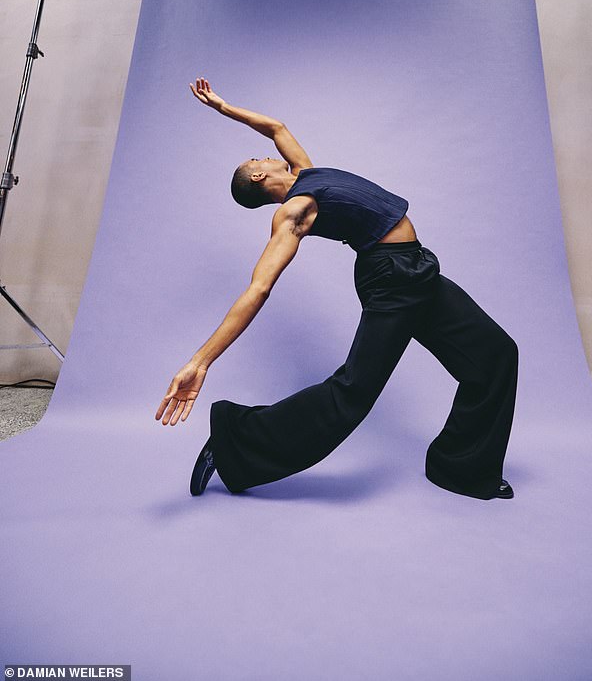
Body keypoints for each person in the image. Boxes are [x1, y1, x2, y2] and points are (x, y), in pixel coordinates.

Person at [155, 77, 518, 501]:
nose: (267, 152)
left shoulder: (306, 173)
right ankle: (234, 439)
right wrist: (201, 361)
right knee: (353, 391)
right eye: (257, 158)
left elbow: (276, 127)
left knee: (495, 354)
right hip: (391, 280)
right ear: (257, 174)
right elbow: (258, 289)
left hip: (417, 268)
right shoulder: (296, 211)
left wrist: (223, 108)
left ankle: (460, 467)